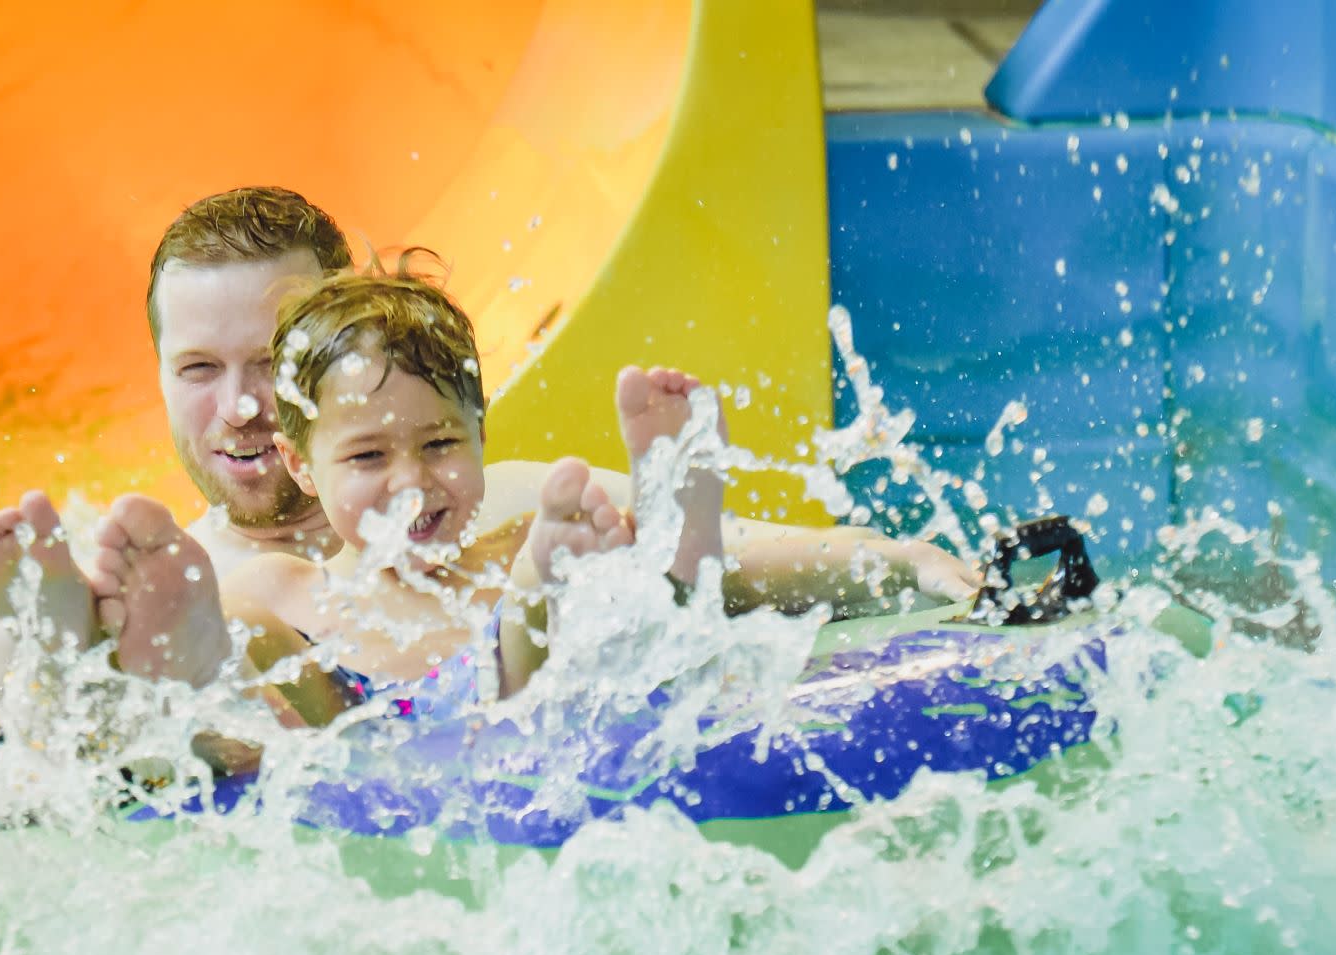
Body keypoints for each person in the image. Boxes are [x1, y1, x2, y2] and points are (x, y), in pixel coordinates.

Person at [68, 264, 981, 739]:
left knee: (604, 604)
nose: (411, 482)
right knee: (253, 641)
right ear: (302, 468)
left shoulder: (505, 548)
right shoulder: (282, 585)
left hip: (520, 714)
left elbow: (770, 572)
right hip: (345, 726)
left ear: (479, 439)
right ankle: (189, 648)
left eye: (438, 446)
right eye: (368, 456)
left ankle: (676, 534)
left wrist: (907, 562)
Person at [0, 187, 353, 738]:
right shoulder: (113, 583)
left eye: (271, 363)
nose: (236, 407)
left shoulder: (449, 521)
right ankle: (57, 703)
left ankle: (76, 706)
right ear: (161, 376)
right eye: (198, 368)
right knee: (29, 633)